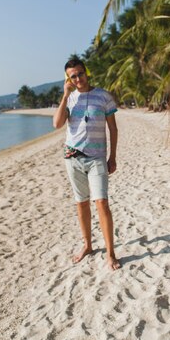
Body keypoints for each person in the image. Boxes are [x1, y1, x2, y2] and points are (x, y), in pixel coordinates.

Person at [53, 56, 121, 271]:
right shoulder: (70, 99)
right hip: (73, 158)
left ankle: (110, 253)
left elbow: (113, 129)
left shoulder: (103, 96)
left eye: (80, 73)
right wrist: (65, 96)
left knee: (101, 203)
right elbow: (57, 124)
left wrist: (112, 157)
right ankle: (88, 245)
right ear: (68, 79)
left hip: (97, 158)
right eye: (73, 76)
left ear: (87, 73)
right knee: (81, 203)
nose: (78, 78)